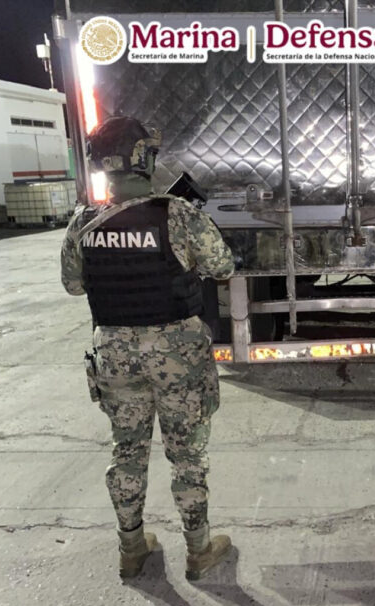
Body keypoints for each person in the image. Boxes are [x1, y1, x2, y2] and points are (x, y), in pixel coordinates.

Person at [62, 116, 238, 581]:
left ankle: (132, 548)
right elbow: (223, 266)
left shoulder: (84, 222)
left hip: (115, 355)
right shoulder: (177, 214)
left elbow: (73, 286)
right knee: (187, 455)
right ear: (144, 158)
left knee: (127, 452)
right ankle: (199, 550)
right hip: (176, 354)